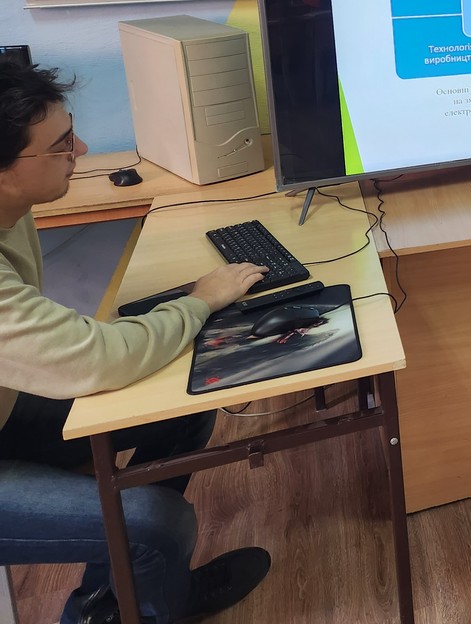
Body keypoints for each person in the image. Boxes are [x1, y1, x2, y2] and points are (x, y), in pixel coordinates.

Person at [0, 61, 272, 623]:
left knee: (179, 409)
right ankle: (148, 589)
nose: (82, 150)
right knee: (157, 525)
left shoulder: (12, 207)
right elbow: (97, 359)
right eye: (62, 145)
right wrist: (200, 301)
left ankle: (121, 602)